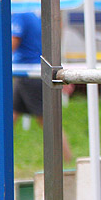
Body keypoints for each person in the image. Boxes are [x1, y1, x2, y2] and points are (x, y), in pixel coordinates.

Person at [11, 11, 72, 162]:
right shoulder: (32, 15)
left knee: (47, 121)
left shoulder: (19, 15)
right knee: (10, 116)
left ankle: (67, 159)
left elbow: (11, 44)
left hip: (30, 74)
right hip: (28, 72)